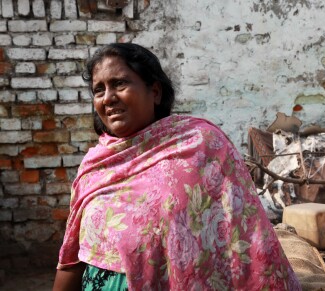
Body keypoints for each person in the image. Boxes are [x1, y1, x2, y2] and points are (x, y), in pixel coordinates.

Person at [53, 43, 301, 290]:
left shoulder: (201, 145)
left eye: (120, 83)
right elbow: (72, 257)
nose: (108, 97)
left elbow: (247, 236)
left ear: (155, 92)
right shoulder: (96, 164)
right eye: (99, 89)